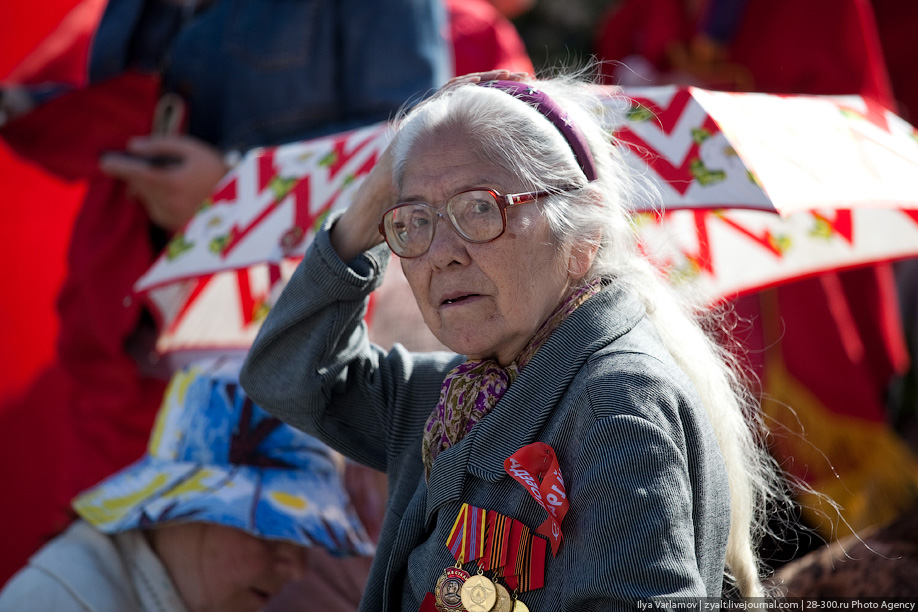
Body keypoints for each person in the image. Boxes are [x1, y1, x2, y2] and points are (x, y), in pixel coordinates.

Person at [239, 71, 784, 608]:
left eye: (481, 208)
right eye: (412, 222)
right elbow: (286, 376)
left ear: (583, 237)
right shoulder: (458, 397)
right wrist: (367, 209)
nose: (440, 254)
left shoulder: (617, 403)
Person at [0, 0, 448, 582]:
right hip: (119, 337)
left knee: (249, 579)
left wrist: (232, 193)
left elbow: (417, 153)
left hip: (273, 360)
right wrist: (34, 108)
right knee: (99, 574)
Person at [0, 356, 374, 612]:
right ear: (185, 508)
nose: (296, 568)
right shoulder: (55, 601)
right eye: (274, 529)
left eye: (307, 536)